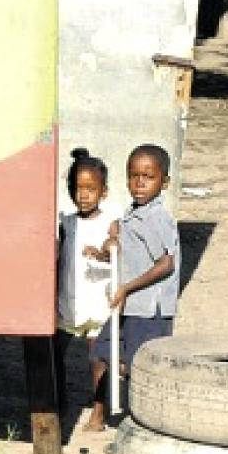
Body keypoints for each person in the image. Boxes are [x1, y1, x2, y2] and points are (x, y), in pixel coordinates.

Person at [84, 143, 180, 429]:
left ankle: (144, 423)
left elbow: (166, 264)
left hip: (149, 308)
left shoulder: (156, 218)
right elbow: (127, 254)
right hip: (127, 305)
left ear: (165, 182)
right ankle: (104, 412)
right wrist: (105, 251)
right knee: (101, 352)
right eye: (133, 175)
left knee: (142, 366)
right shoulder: (132, 214)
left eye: (148, 177)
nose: (139, 183)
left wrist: (127, 288)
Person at [56, 147, 114, 421]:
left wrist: (102, 253)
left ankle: (98, 410)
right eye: (78, 188)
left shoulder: (110, 222)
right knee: (54, 352)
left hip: (97, 303)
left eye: (90, 189)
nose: (83, 195)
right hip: (68, 302)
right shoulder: (65, 223)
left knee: (97, 359)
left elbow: (114, 247)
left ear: (103, 191)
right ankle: (59, 400)